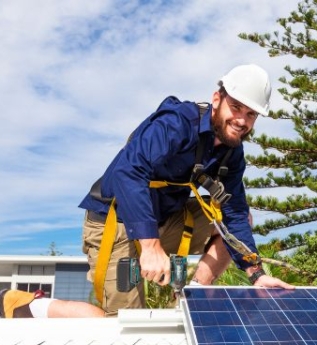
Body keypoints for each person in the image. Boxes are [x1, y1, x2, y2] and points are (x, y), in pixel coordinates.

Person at [1, 64, 294, 318]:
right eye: (237, 107)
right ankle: (25, 305)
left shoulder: (232, 154)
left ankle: (193, 295)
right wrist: (151, 246)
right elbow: (128, 172)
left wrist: (256, 274)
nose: (242, 120)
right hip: (115, 224)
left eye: (252, 114)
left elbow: (233, 213)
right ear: (217, 99)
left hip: (165, 220)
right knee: (122, 325)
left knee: (240, 216)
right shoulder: (176, 123)